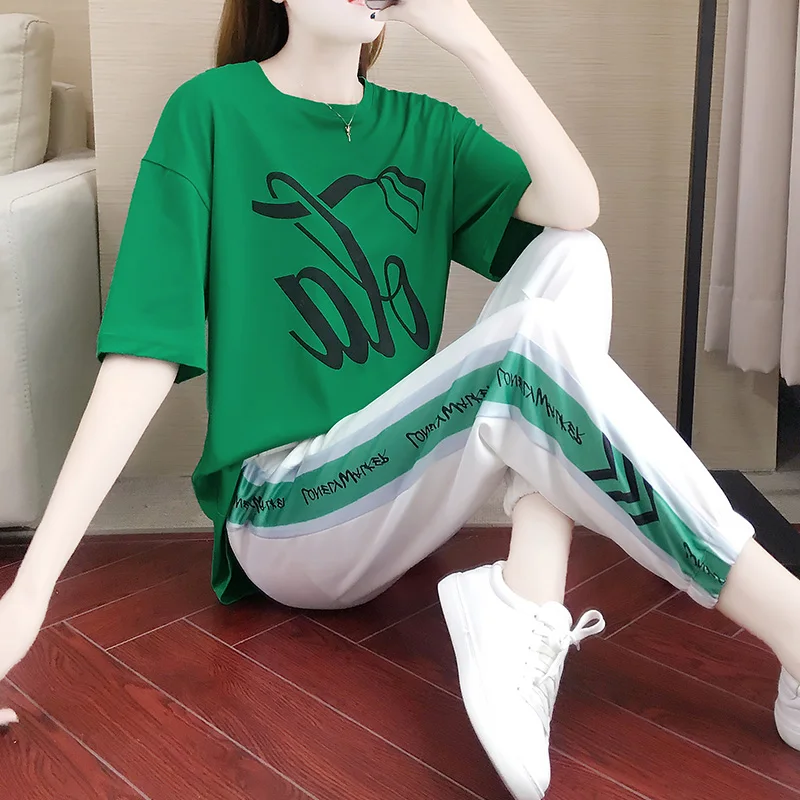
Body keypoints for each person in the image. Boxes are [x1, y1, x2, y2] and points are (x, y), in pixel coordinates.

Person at [1, 0, 799, 797]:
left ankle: (527, 602)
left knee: (576, 256)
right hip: (282, 512)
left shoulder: (424, 128)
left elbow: (575, 205)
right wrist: (31, 592)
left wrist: (470, 36)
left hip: (391, 494)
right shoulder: (211, 111)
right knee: (522, 345)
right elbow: (145, 351)